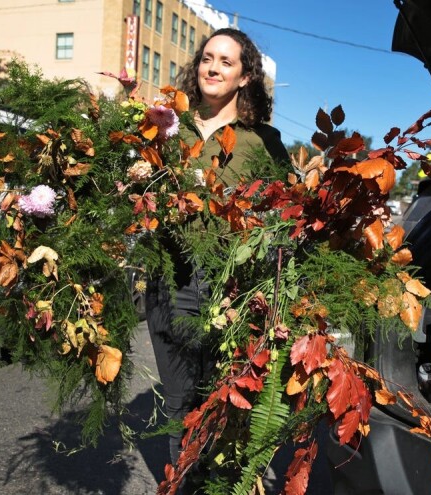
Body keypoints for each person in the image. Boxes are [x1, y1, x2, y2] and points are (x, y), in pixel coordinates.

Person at [145, 27, 290, 473]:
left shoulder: (260, 140)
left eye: (226, 61)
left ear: (245, 77)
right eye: (208, 58)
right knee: (176, 400)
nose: (213, 67)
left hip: (219, 285)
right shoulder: (169, 123)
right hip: (163, 276)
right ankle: (183, 481)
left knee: (209, 401)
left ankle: (204, 480)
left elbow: (287, 210)